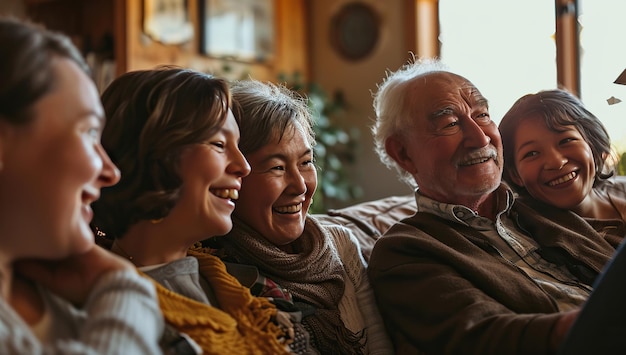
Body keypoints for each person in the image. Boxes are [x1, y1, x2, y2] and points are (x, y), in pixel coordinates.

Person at [367, 58, 622, 354]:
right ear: (403, 153)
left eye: (483, 115)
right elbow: (481, 337)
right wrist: (600, 323)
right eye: (450, 124)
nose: (480, 137)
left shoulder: (541, 203)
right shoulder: (404, 251)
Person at [92, 67, 296, 354]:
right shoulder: (110, 313)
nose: (244, 166)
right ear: (152, 156)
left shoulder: (235, 285)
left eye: (237, 146)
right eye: (219, 144)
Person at [0, 17, 163, 353]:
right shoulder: (107, 291)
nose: (110, 172)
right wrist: (121, 288)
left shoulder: (56, 294)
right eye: (89, 132)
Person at [207, 79, 393, 355]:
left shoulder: (340, 243)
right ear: (232, 176)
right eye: (277, 167)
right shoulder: (218, 274)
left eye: (306, 162)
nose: (301, 186)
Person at [499, 88, 626, 245]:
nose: (556, 162)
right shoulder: (542, 241)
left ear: (591, 144)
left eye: (566, 141)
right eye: (532, 153)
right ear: (515, 175)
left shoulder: (620, 187)